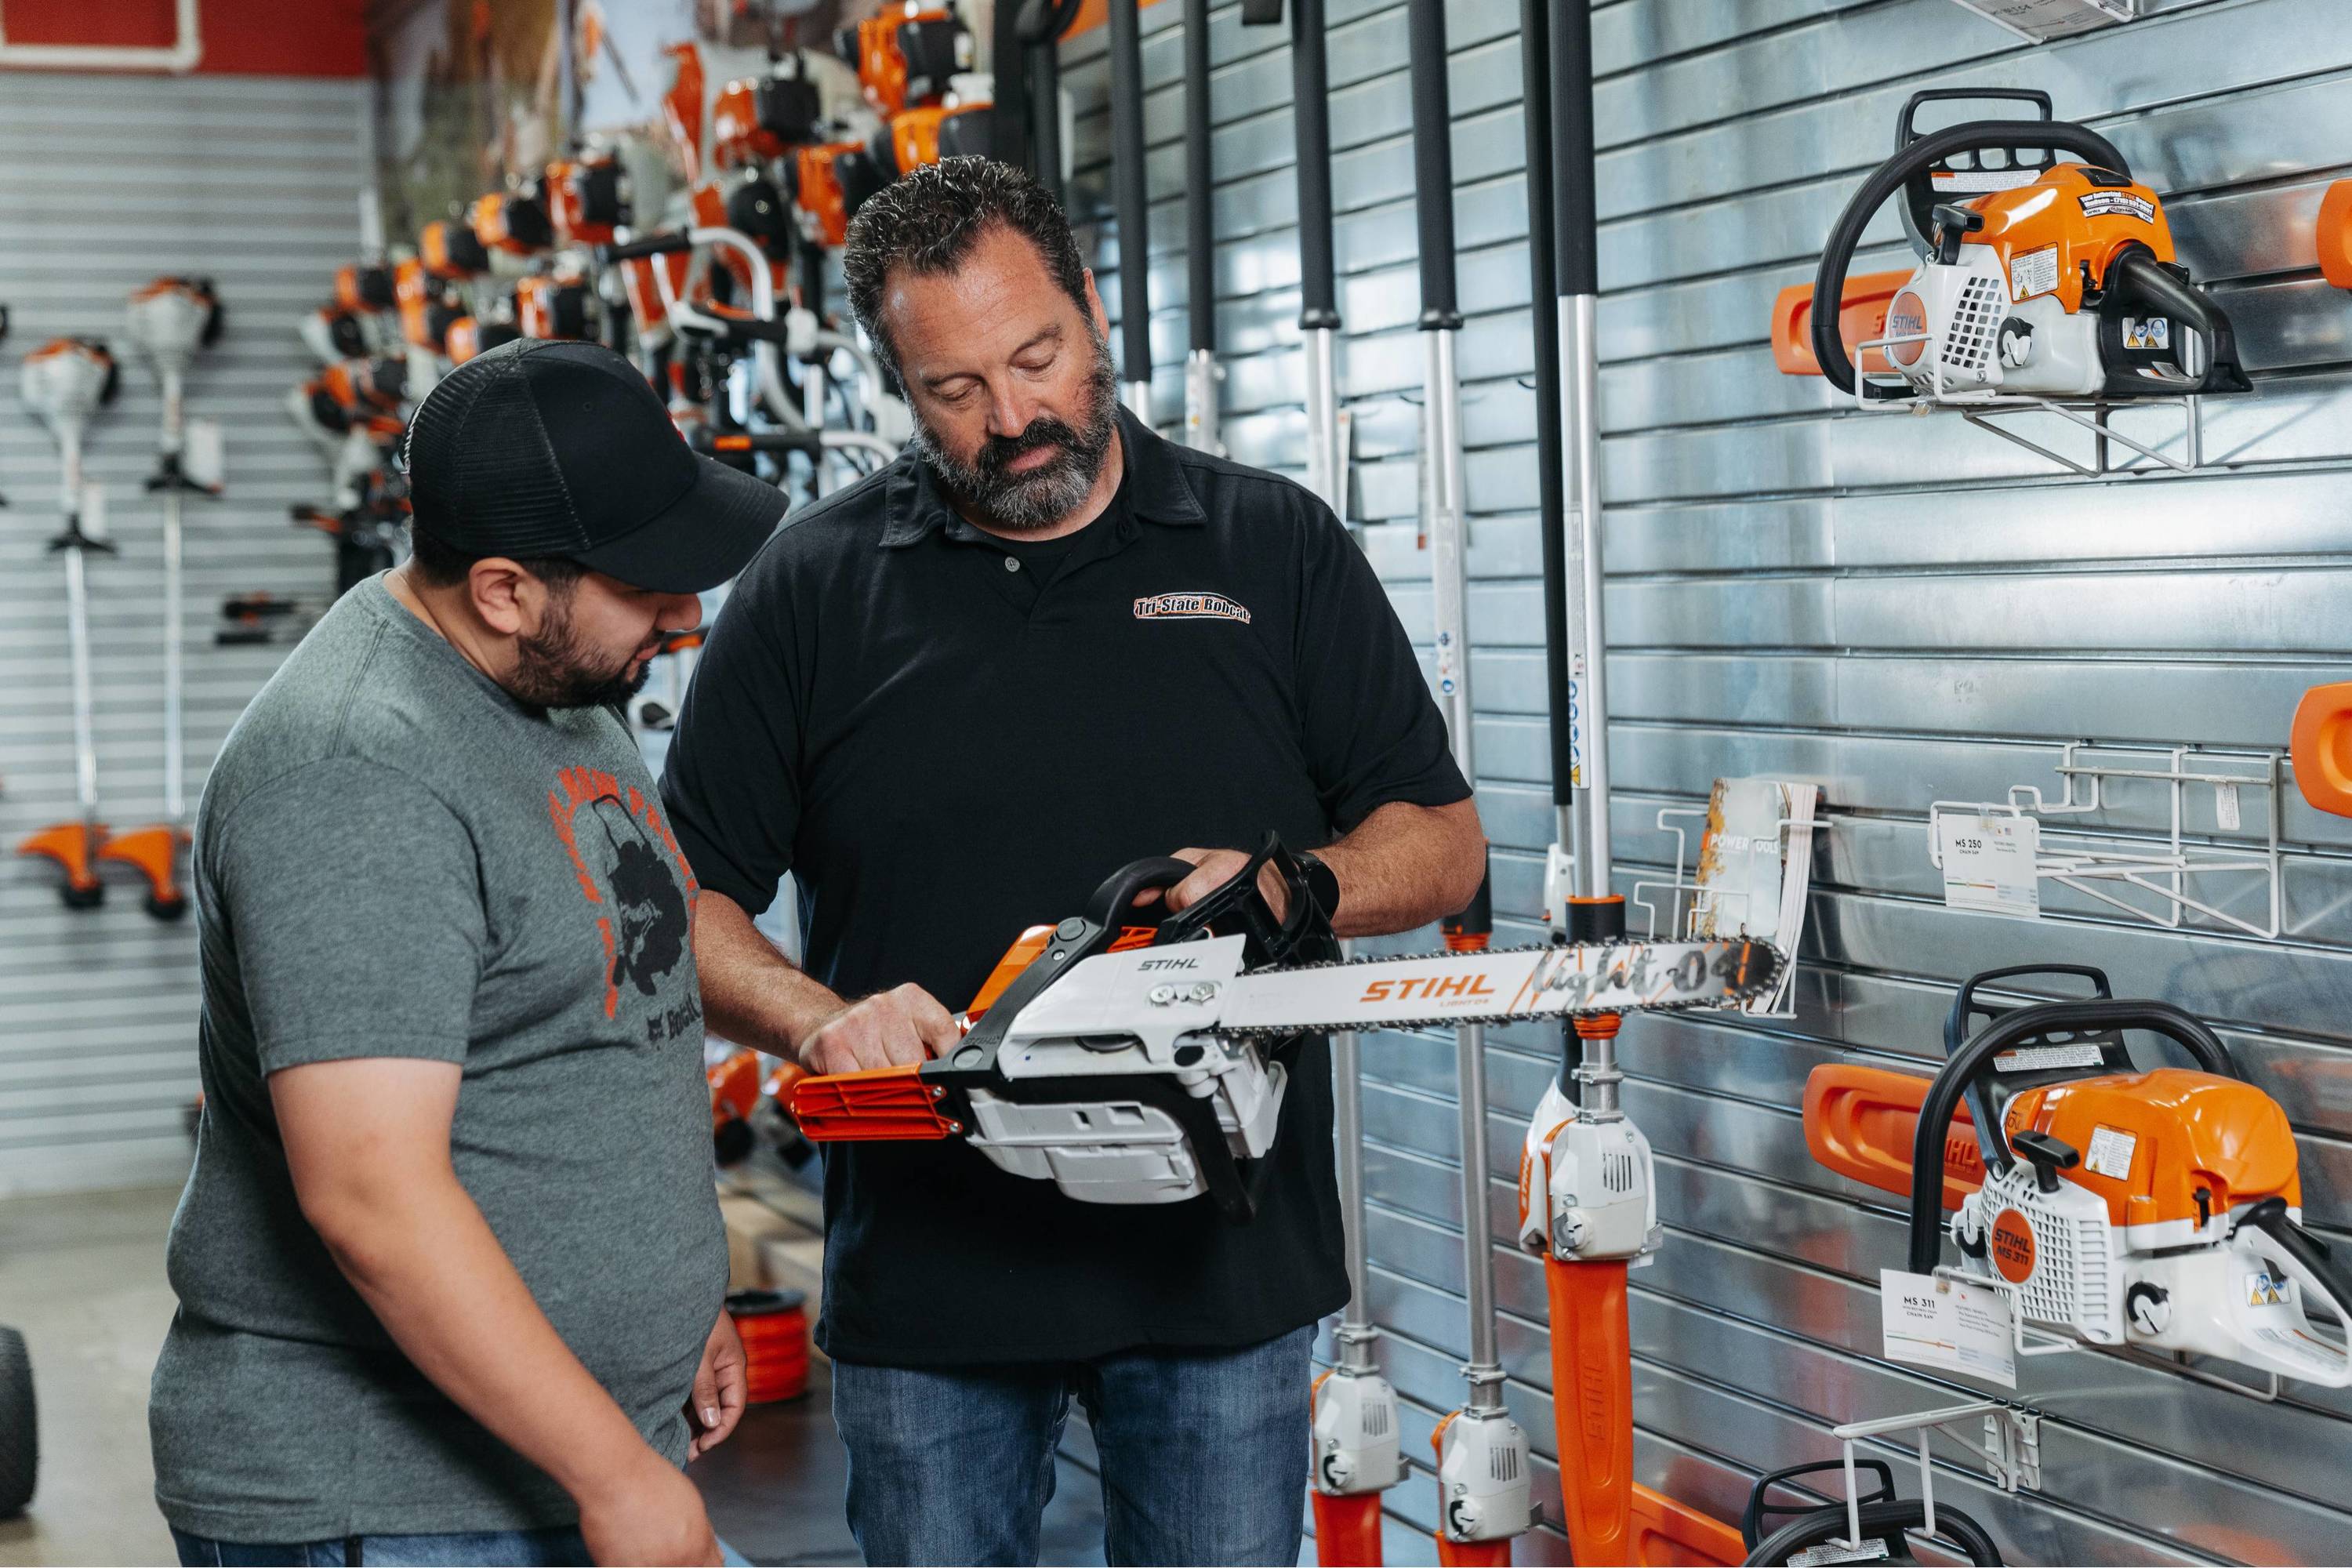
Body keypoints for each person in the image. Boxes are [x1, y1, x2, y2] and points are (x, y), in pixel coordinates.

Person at [659, 157, 1488, 1566]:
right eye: (955, 390)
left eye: (1035, 356)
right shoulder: (814, 585)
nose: (1015, 417)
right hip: (933, 1280)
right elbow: (683, 901)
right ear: (899, 388)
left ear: (1094, 312)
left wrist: (1296, 888)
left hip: (1221, 1264)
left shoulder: (1269, 543)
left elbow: (1445, 843)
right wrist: (817, 1018)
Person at [150, 339, 786, 1568]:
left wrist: (669, 1296)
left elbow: (614, 989)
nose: (686, 614)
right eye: (649, 582)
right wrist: (616, 1478)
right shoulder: (355, 770)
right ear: (502, 588)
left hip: (566, 1453)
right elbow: (371, 1199)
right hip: (392, 1505)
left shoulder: (557, 682)